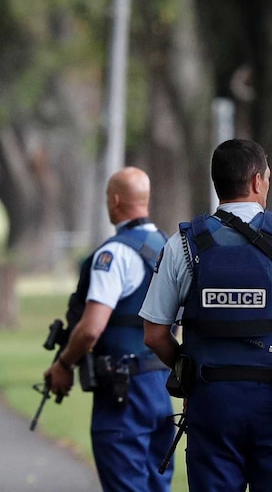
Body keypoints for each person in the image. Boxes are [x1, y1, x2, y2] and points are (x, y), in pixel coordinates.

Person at [139, 139, 272, 492]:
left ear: (218, 183)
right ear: (258, 182)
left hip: (212, 400)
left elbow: (154, 334)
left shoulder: (182, 243)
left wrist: (190, 373)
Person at [43, 166, 174, 492]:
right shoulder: (170, 248)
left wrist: (63, 364)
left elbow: (91, 328)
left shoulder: (114, 254)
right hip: (161, 386)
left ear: (114, 201)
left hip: (122, 392)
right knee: (157, 484)